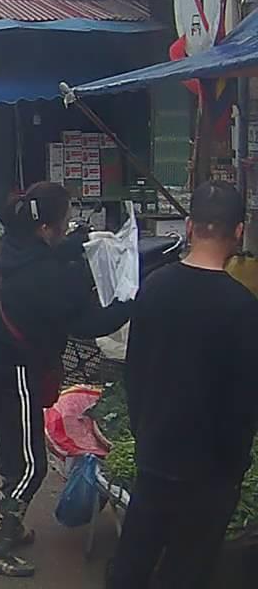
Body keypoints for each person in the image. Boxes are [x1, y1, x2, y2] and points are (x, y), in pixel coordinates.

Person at [0, 181, 131, 577]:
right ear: (45, 228)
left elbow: (49, 254)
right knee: (30, 466)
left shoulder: (17, 249)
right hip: (16, 373)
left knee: (13, 455)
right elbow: (88, 322)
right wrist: (129, 302)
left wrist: (76, 243)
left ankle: (6, 523)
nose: (67, 227)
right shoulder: (42, 277)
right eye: (64, 222)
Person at [108, 181, 258, 589]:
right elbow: (245, 402)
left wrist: (145, 432)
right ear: (239, 231)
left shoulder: (154, 288)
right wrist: (235, 462)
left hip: (156, 456)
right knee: (187, 571)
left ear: (190, 226)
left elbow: (135, 372)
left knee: (132, 563)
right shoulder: (243, 308)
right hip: (212, 472)